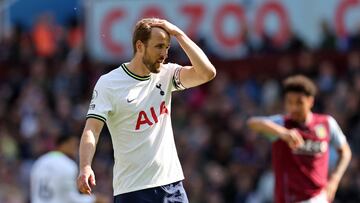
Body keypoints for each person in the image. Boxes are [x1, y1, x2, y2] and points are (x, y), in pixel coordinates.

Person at [76, 18, 216, 202]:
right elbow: (92, 130)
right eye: (159, 46)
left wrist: (179, 34)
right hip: (133, 189)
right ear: (140, 46)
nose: (164, 53)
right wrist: (85, 166)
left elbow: (207, 73)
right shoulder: (109, 83)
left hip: (171, 185)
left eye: (166, 47)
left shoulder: (166, 75)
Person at [247, 75, 352, 203]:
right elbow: (252, 123)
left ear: (310, 101)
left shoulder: (326, 123)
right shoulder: (282, 123)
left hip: (318, 197)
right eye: (289, 102)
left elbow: (345, 152)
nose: (294, 108)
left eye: (299, 102)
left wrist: (334, 179)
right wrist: (282, 133)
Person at [30, 134, 107, 203]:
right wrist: (94, 199)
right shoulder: (68, 165)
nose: (76, 149)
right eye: (73, 144)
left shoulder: (40, 162)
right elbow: (71, 199)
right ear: (63, 144)